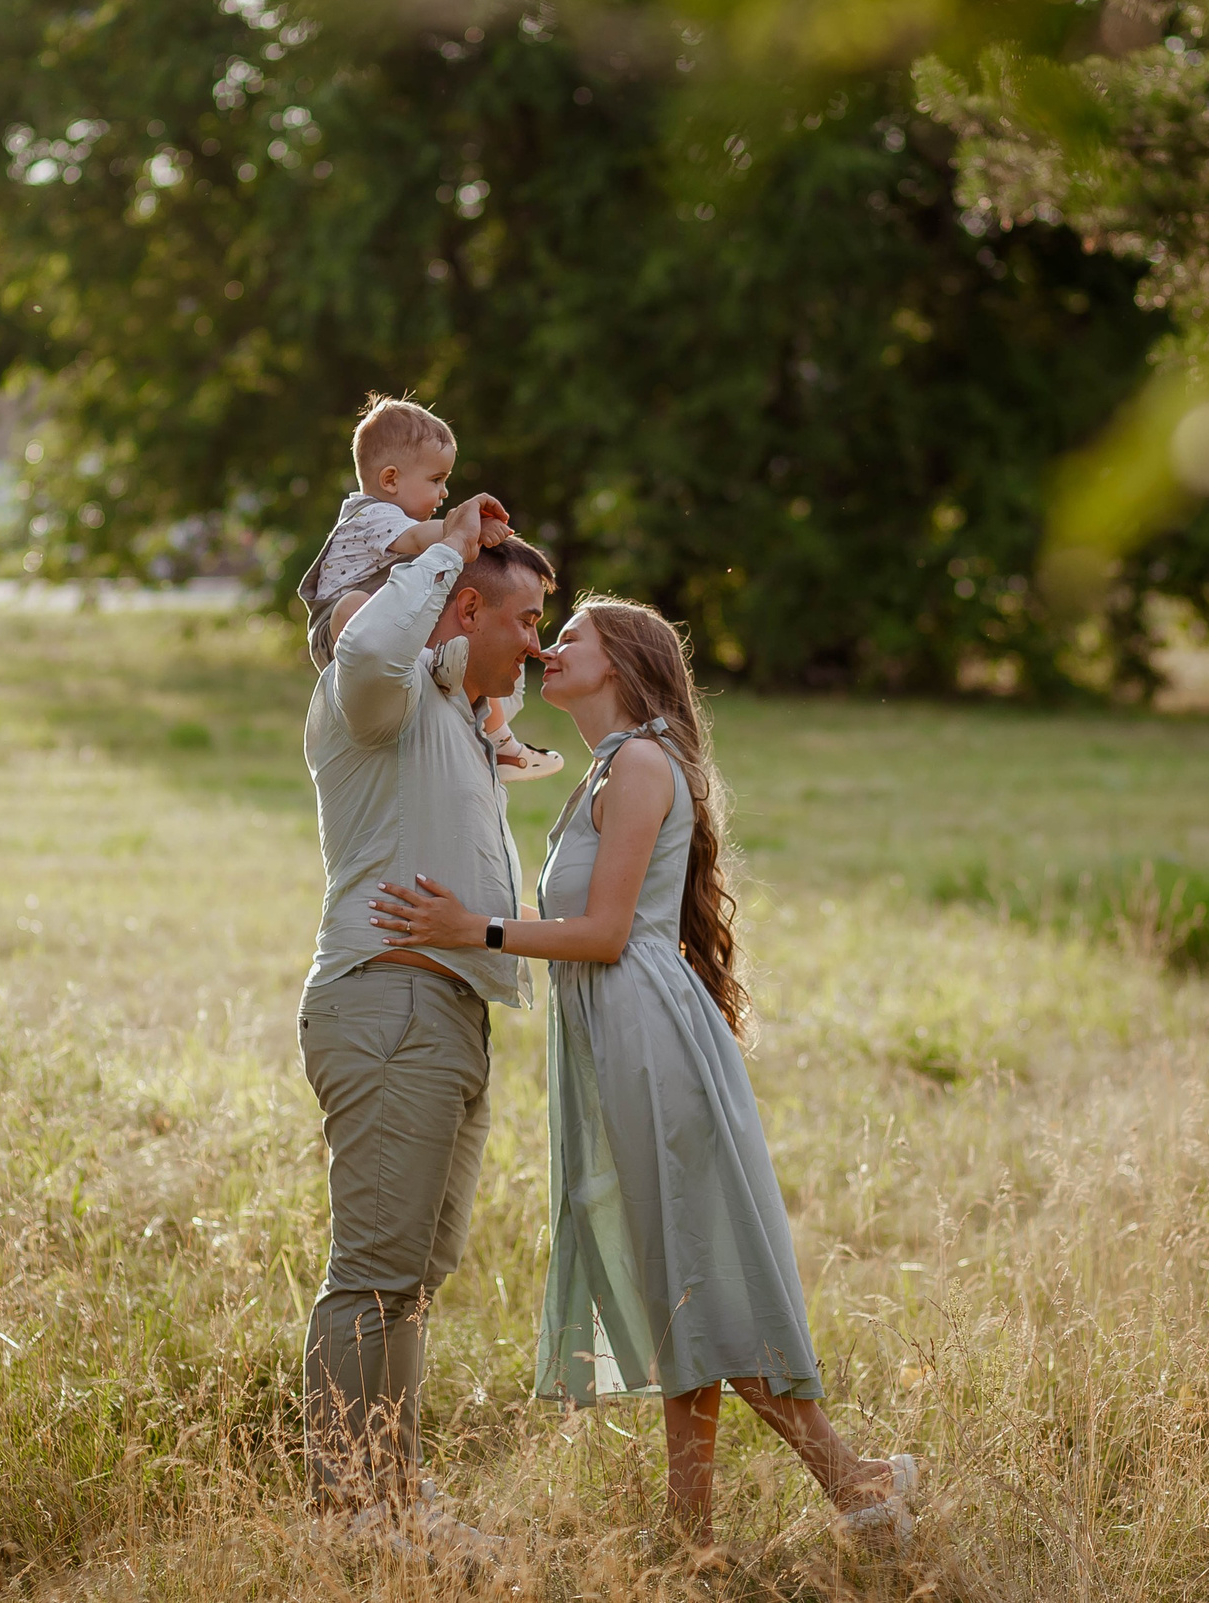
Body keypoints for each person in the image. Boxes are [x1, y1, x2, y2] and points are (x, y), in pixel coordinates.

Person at [369, 597, 918, 1553]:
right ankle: (693, 1530)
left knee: (701, 1275)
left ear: (621, 662)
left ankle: (854, 1480)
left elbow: (607, 932)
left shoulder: (641, 764)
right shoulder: (603, 771)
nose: (549, 646)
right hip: (617, 1036)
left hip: (650, 1039)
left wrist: (475, 931)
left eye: (569, 636)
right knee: (679, 1277)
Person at [296, 486, 557, 1569]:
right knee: (372, 1274)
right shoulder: (376, 694)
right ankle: (352, 1513)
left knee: (411, 1275)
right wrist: (441, 553)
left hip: (445, 1009)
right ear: (462, 609)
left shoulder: (450, 711)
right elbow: (366, 654)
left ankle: (395, 1496)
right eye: (528, 620)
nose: (537, 645)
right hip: (389, 1001)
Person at [295, 394, 564, 781]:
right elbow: (423, 539)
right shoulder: (370, 516)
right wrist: (466, 526)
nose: (444, 493)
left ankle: (500, 741)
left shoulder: (392, 515)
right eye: (436, 480)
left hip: (385, 629)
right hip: (337, 632)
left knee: (464, 630)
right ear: (390, 479)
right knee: (353, 603)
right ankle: (432, 669)